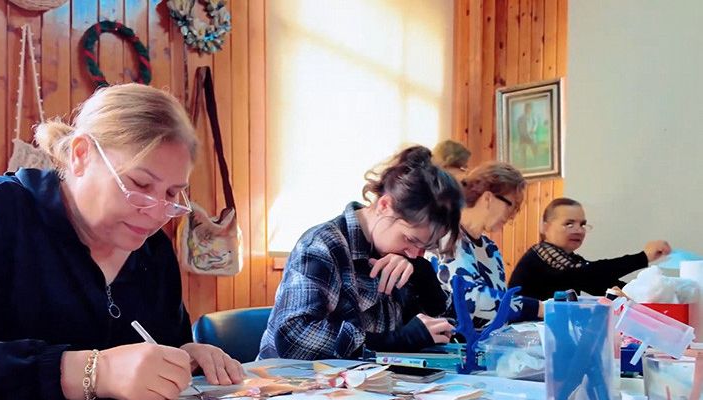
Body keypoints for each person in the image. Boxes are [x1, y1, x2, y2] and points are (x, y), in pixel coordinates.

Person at [0, 84, 244, 400]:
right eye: (139, 184)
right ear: (82, 155)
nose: (155, 212)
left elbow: (157, 351)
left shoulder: (152, 250)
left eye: (171, 195)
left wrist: (185, 357)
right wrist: (93, 373)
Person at [258, 145, 462, 361]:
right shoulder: (321, 245)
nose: (414, 253)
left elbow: (453, 334)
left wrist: (425, 282)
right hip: (295, 387)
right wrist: (394, 341)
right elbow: (293, 340)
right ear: (385, 205)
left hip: (371, 386)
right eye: (411, 240)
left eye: (424, 246)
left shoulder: (402, 257)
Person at [426, 161, 542, 328]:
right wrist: (538, 308)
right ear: (488, 198)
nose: (512, 216)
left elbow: (498, 311)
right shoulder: (448, 237)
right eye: (512, 206)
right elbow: (471, 299)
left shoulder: (490, 248)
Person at [508, 197, 672, 300]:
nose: (578, 230)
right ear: (545, 227)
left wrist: (645, 292)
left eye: (583, 224)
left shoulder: (572, 262)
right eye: (569, 224)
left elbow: (597, 282)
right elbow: (589, 273)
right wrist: (643, 257)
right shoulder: (542, 253)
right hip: (522, 338)